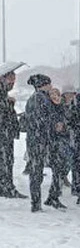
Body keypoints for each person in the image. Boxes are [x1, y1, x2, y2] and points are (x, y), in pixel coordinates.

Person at [24, 74, 64, 212]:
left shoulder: (43, 98)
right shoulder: (38, 98)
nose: (51, 86)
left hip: (41, 140)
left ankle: (43, 200)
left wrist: (58, 105)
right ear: (43, 85)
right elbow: (40, 120)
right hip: (40, 140)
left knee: (43, 170)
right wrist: (54, 124)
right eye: (49, 84)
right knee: (38, 171)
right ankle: (38, 203)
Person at [0, 70, 25, 198]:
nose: (13, 83)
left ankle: (6, 186)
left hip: (6, 134)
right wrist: (9, 104)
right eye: (10, 79)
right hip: (3, 134)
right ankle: (7, 187)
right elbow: (4, 115)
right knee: (6, 161)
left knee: (7, 161)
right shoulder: (2, 95)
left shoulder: (4, 94)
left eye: (14, 80)